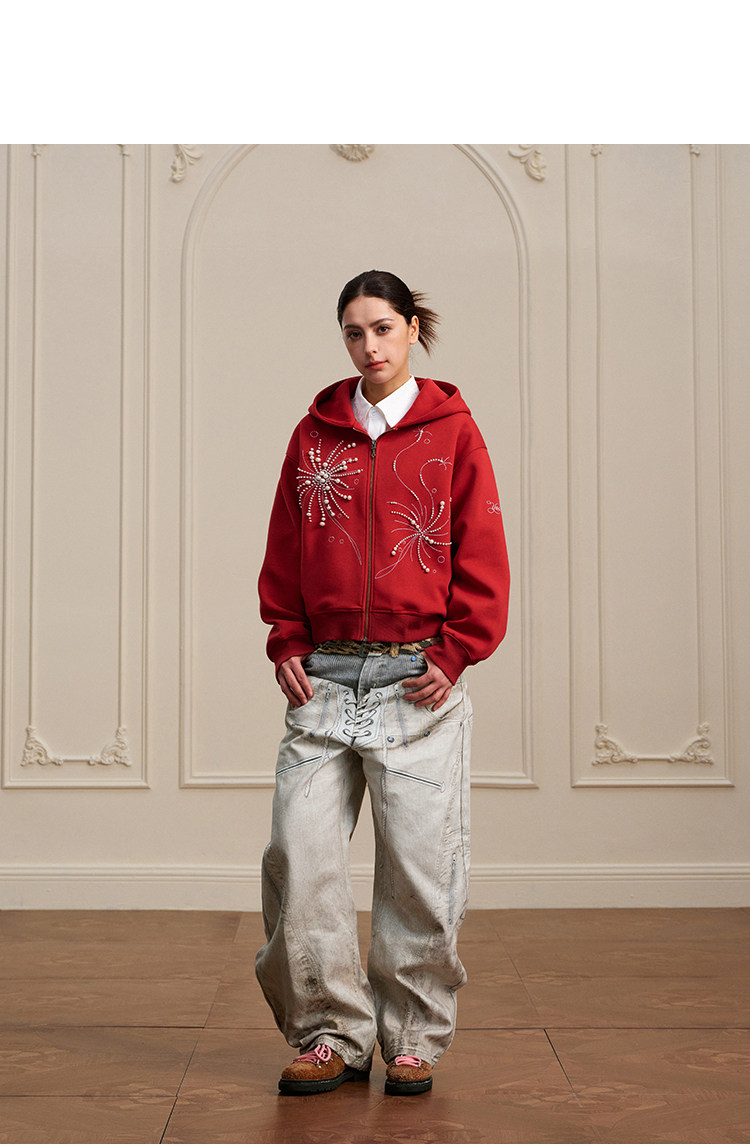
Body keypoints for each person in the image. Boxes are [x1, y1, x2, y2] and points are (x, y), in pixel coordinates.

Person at [256, 269, 510, 1096]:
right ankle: (330, 1034)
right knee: (301, 863)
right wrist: (286, 638)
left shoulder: (453, 434)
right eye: (354, 332)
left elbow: (482, 547)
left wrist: (457, 651)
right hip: (325, 680)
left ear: (412, 329)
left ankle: (411, 1038)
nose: (369, 346)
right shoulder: (314, 436)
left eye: (383, 329)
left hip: (415, 681)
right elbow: (285, 544)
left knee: (419, 875)